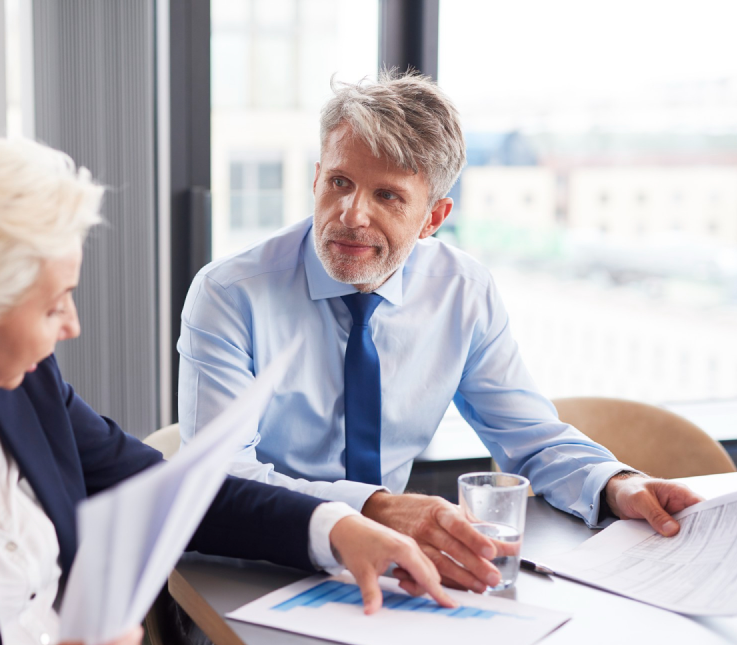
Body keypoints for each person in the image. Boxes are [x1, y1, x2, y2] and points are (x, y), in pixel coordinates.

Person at [0, 129, 454, 645]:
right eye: (56, 303)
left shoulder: (21, 386)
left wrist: (335, 527)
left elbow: (169, 489)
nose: (72, 326)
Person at [177, 71, 703, 595]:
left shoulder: (462, 291)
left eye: (387, 195)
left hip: (395, 568)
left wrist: (617, 485)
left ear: (434, 217)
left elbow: (532, 439)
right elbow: (221, 481)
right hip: (252, 569)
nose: (352, 214)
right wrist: (378, 508)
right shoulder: (230, 294)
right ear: (316, 179)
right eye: (340, 182)